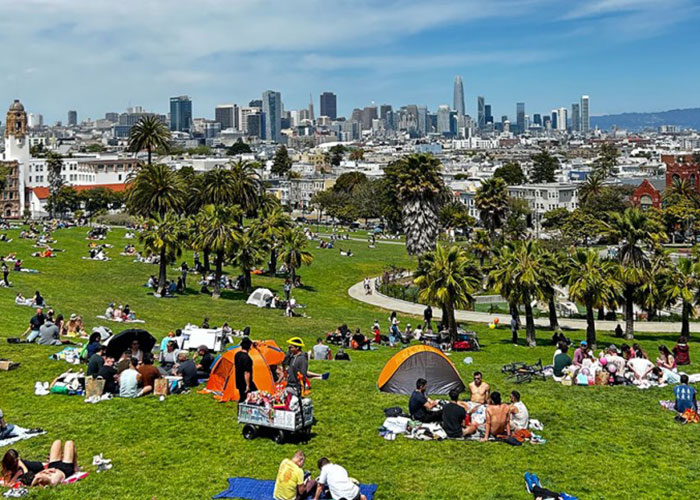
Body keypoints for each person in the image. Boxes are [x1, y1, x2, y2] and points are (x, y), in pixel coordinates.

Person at [234, 338, 256, 403]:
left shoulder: (237, 355)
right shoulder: (247, 358)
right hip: (244, 382)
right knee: (252, 395)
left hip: (238, 379)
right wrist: (248, 385)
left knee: (242, 397)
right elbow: (247, 373)